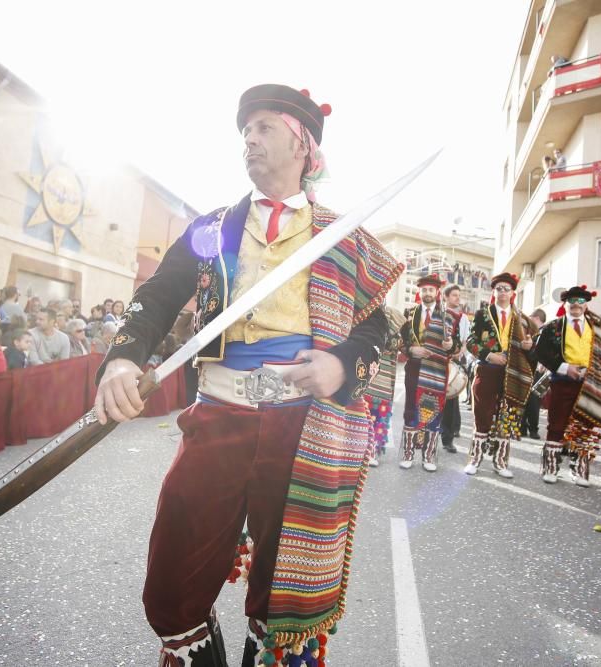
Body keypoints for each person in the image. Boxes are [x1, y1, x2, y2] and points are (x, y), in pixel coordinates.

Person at [93, 83, 397, 666]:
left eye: (263, 128)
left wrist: (340, 363)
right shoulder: (213, 228)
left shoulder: (343, 238)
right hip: (218, 417)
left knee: (286, 591)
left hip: (303, 427)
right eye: (245, 132)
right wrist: (125, 356)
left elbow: (378, 331)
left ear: (303, 143)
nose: (249, 141)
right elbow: (157, 296)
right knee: (173, 584)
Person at [533, 286, 601, 487]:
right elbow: (539, 352)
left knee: (586, 426)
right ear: (565, 304)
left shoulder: (598, 329)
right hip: (562, 382)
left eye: (581, 301)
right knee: (556, 425)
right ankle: (550, 468)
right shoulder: (553, 326)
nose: (576, 304)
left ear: (586, 305)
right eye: (572, 300)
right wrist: (565, 368)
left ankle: (580, 470)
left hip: (591, 383)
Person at [464, 272, 536, 478]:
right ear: (493, 292)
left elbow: (532, 348)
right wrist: (489, 355)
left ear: (513, 293)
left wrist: (528, 347)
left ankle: (501, 462)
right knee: (482, 414)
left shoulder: (522, 319)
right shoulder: (482, 314)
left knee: (508, 416)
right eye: (499, 289)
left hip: (512, 373)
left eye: (506, 289)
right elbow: (470, 341)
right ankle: (475, 459)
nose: (502, 292)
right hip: (487, 370)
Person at [398, 274, 457, 471]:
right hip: (414, 368)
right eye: (424, 290)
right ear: (419, 292)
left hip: (437, 371)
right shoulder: (410, 313)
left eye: (431, 290)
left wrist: (450, 346)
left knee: (434, 411)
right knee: (411, 410)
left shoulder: (447, 317)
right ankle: (407, 454)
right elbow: (402, 343)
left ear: (437, 292)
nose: (427, 293)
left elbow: (454, 347)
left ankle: (429, 456)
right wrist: (411, 350)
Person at [363, 307, 405, 467]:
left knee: (379, 416)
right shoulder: (366, 314)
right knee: (361, 413)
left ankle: (372, 451)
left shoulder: (395, 323)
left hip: (384, 378)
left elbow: (396, 344)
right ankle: (357, 449)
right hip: (366, 374)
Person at [439, 284, 471, 453]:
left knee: (451, 400)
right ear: (445, 297)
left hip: (452, 361)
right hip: (436, 360)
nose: (457, 298)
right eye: (454, 295)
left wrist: (460, 353)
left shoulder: (463, 318)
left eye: (459, 295)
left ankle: (448, 438)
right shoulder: (438, 313)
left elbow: (465, 341)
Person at [520, 308, 547, 440]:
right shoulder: (534, 332)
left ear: (536, 318)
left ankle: (533, 429)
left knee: (534, 401)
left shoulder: (545, 332)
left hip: (537, 369)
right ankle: (522, 428)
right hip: (528, 367)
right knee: (524, 399)